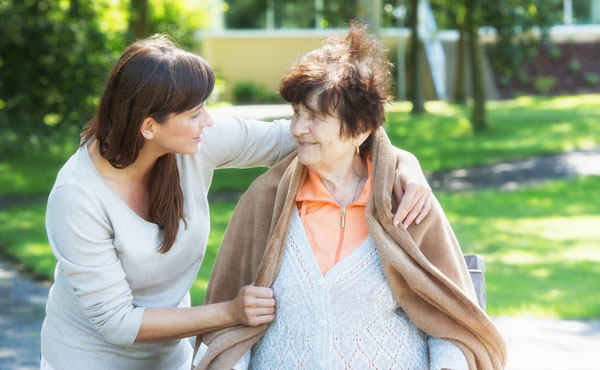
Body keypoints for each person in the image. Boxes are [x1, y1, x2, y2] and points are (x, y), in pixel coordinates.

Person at [40, 34, 433, 370]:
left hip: (170, 358)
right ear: (149, 126)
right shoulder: (78, 197)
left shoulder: (194, 143)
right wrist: (231, 312)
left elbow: (324, 137)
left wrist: (403, 164)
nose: (208, 122)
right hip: (88, 358)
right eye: (195, 113)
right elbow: (117, 322)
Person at [194, 24, 507, 370]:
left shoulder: (403, 201)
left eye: (316, 117)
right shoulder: (264, 200)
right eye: (297, 112)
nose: (298, 128)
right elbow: (228, 329)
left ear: (360, 129)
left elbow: (451, 322)